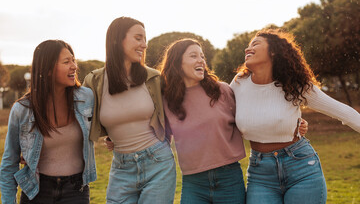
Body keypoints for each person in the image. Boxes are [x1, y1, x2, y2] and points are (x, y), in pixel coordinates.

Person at [159, 38, 308, 204]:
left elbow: (252, 117)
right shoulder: (167, 100)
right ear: (177, 63)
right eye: (193, 56)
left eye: (202, 56)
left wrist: (294, 123)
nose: (201, 60)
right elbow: (159, 136)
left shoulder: (221, 90)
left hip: (228, 178)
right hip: (193, 183)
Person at [230, 29, 360, 204]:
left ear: (273, 50)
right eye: (248, 46)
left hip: (301, 167)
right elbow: (219, 115)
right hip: (261, 173)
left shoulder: (295, 84)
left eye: (255, 44)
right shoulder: (239, 83)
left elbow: (343, 112)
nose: (248, 49)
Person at [83, 16, 176, 204]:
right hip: (121, 167)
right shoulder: (94, 81)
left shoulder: (154, 79)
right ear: (117, 39)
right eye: (138, 38)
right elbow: (76, 119)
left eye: (145, 39)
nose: (144, 44)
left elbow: (174, 116)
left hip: (158, 163)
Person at [0, 40, 97, 204]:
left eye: (74, 60)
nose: (74, 66)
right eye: (66, 62)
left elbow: (108, 122)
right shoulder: (22, 110)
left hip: (76, 191)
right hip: (36, 191)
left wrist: (112, 138)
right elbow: (9, 163)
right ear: (48, 69)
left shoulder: (86, 97)